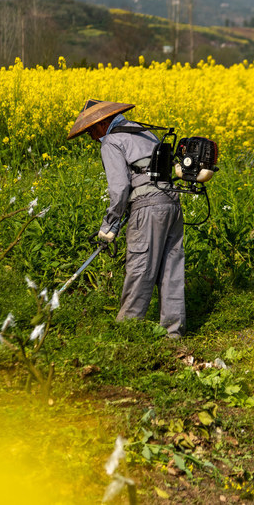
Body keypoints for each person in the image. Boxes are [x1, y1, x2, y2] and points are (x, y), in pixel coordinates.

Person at [67, 99, 186, 338]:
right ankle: (173, 335)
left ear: (103, 123)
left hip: (148, 209)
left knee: (140, 268)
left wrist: (109, 226)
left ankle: (126, 334)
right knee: (171, 270)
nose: (92, 137)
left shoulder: (111, 141)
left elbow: (120, 188)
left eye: (91, 130)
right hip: (172, 204)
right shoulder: (144, 132)